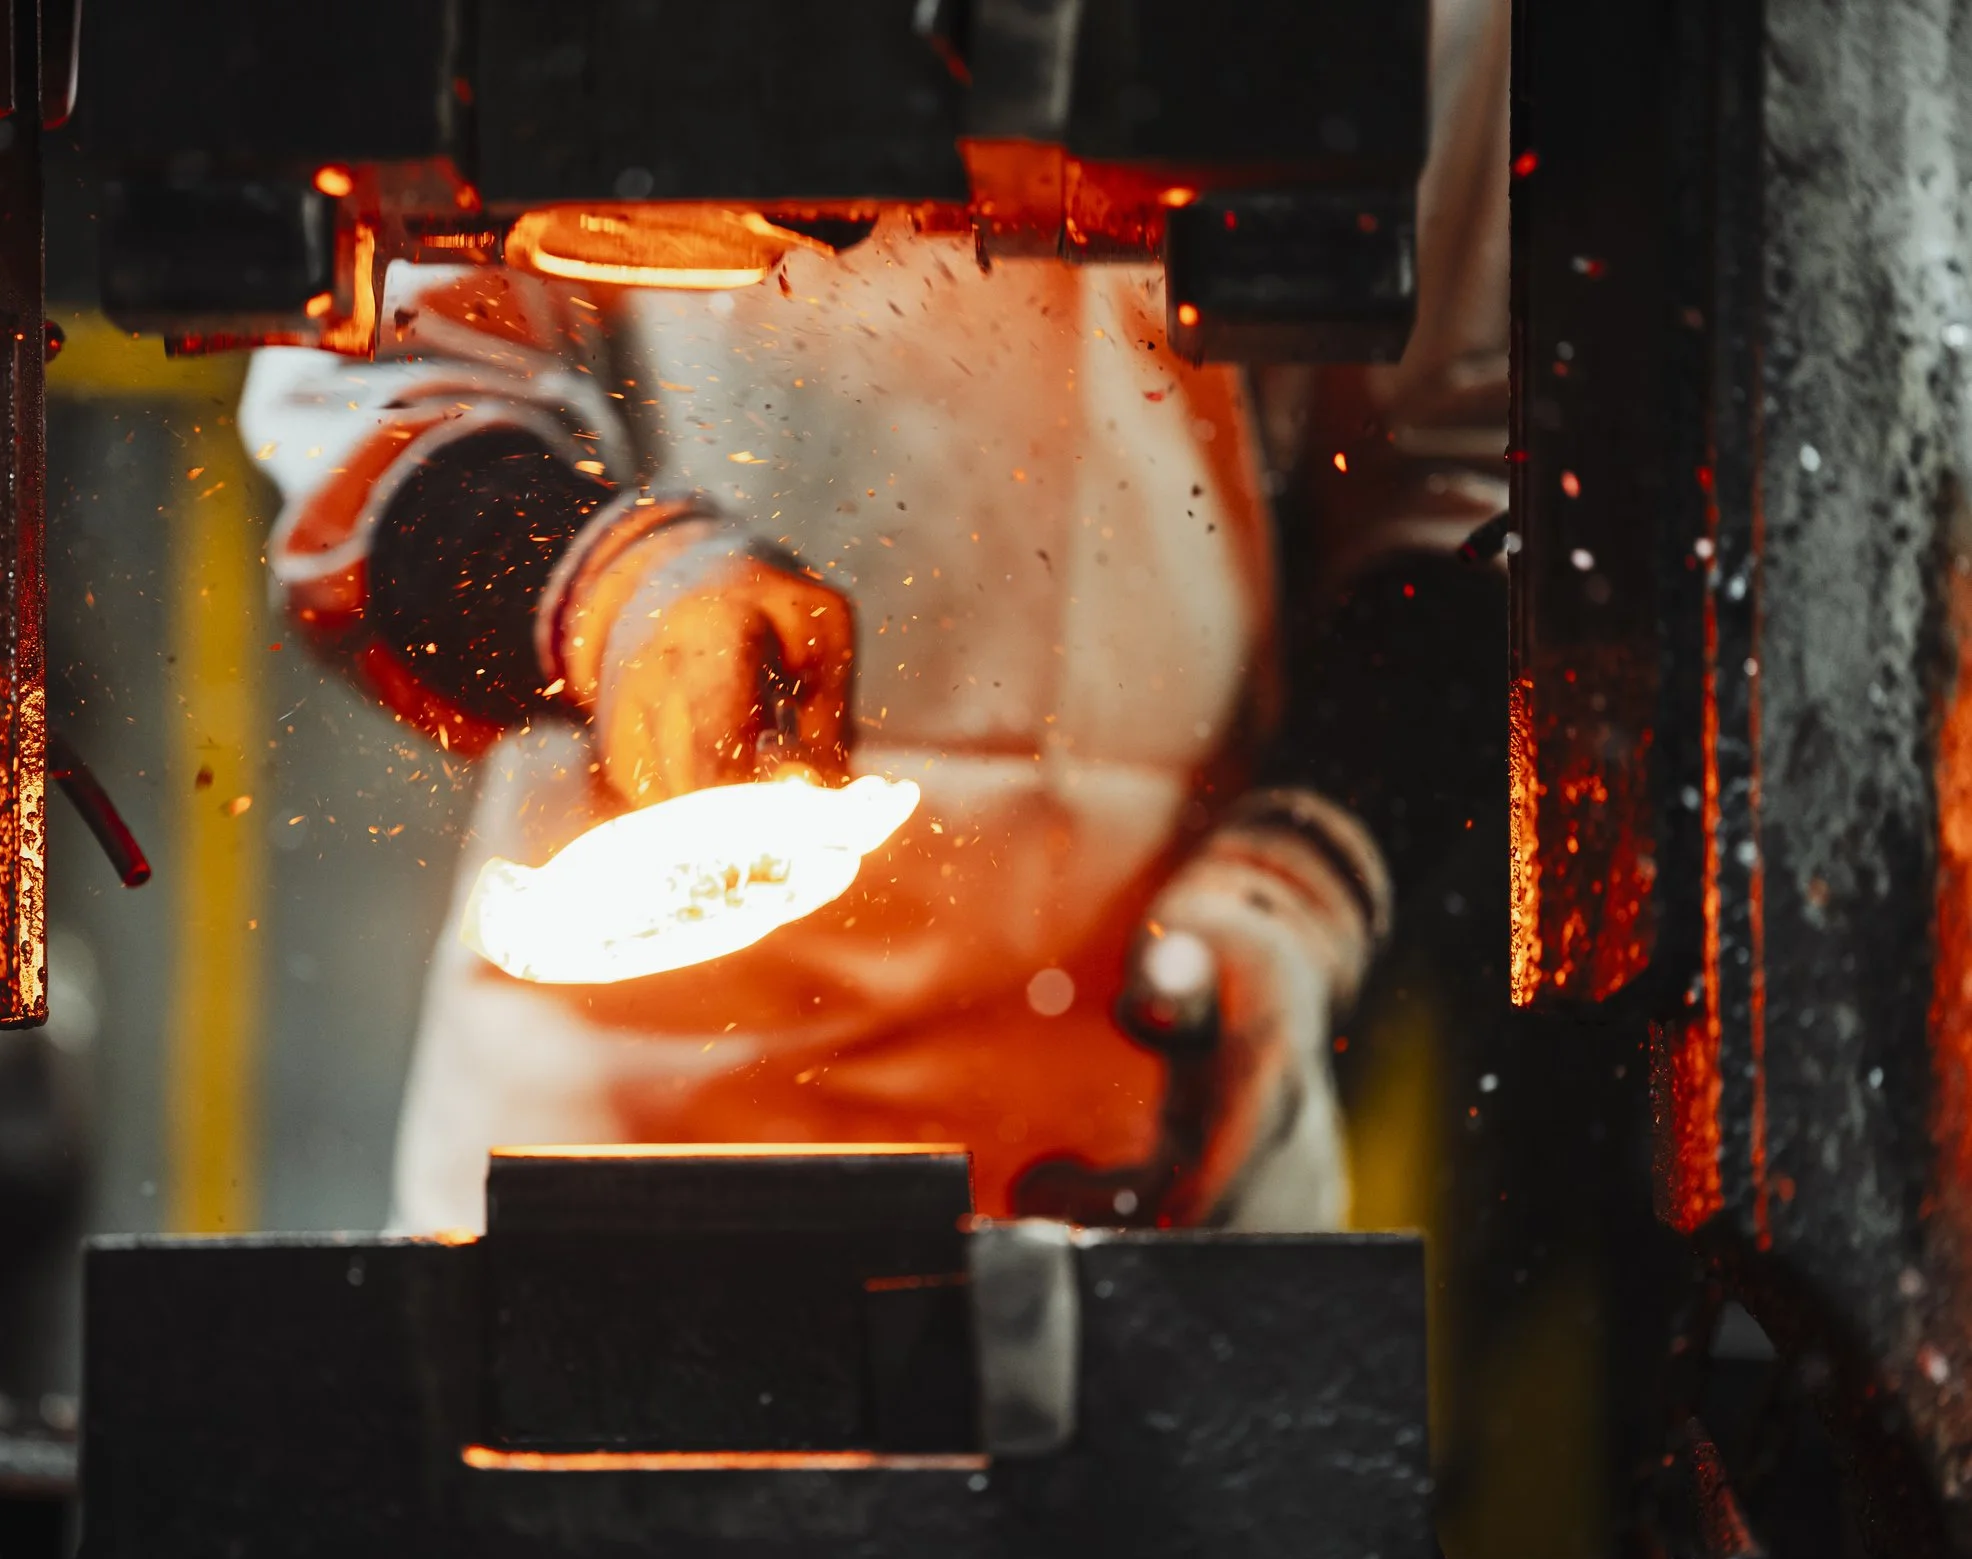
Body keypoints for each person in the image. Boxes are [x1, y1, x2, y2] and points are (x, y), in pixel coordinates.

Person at [238, 0, 1509, 1234]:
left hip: (1155, 1100)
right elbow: (386, 371)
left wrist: (1299, 890)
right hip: (631, 1126)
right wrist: (611, 592)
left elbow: (1465, 482)